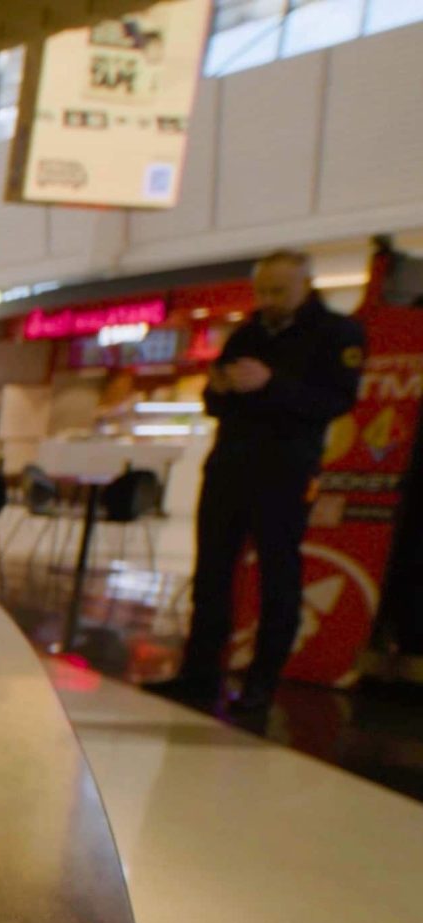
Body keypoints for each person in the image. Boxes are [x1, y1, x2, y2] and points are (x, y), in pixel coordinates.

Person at [145, 251, 364, 720]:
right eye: (262, 290)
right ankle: (200, 672)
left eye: (278, 290)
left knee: (277, 576)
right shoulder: (247, 333)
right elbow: (215, 402)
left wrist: (271, 383)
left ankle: (261, 683)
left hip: (285, 471)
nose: (267, 300)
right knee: (212, 573)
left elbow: (336, 401)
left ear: (306, 285)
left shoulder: (337, 333)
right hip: (229, 466)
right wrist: (219, 389)